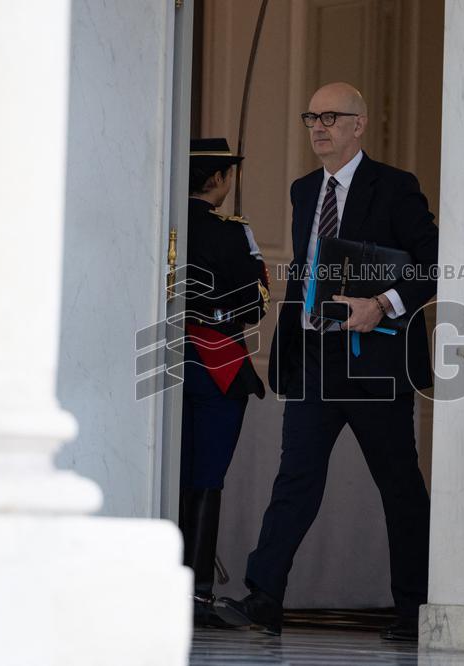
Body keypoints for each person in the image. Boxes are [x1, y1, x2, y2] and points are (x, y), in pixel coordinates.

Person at [215, 82, 438, 641]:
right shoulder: (302, 190)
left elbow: (433, 264)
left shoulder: (395, 188)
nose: (319, 126)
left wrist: (381, 304)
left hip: (378, 363)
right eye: (311, 117)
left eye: (332, 117)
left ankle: (414, 609)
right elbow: (306, 275)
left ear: (359, 124)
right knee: (295, 479)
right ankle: (264, 596)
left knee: (399, 487)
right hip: (316, 361)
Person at [181, 138, 269, 627]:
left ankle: (164, 582)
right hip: (218, 367)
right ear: (217, 180)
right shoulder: (235, 233)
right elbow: (255, 305)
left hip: (167, 367)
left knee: (171, 475)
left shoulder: (161, 222)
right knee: (207, 478)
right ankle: (195, 593)